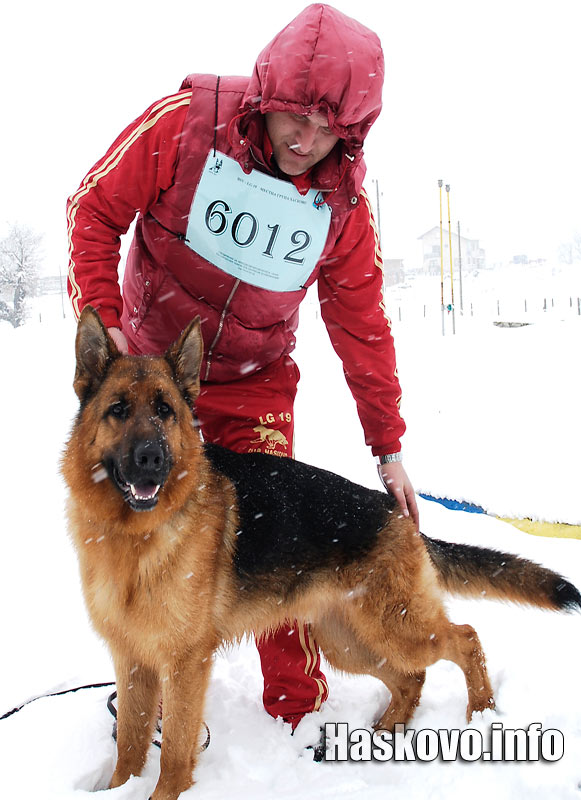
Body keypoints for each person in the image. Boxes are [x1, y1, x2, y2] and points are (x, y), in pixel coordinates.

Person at [66, 2, 419, 732]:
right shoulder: (186, 123)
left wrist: (387, 446)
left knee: (276, 541)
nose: (306, 138)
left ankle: (296, 709)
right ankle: (150, 684)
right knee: (138, 531)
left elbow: (360, 320)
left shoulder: (342, 202)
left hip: (256, 381)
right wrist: (106, 340)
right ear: (267, 95)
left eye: (329, 128)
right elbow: (92, 210)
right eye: (295, 115)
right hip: (156, 375)